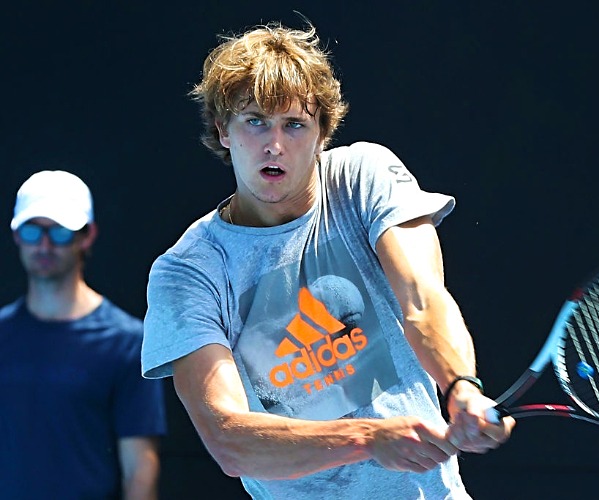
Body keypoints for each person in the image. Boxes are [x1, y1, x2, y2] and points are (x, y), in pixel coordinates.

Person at [141, 20, 515, 499]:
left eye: (294, 124)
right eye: (254, 120)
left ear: (322, 134)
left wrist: (460, 385)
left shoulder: (363, 177)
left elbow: (422, 299)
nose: (274, 144)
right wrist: (366, 439)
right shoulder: (188, 272)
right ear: (224, 131)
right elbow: (229, 439)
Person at [0, 170, 168, 499]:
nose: (44, 245)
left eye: (60, 232)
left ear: (86, 235)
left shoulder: (126, 342)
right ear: (17, 235)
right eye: (33, 231)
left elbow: (139, 468)